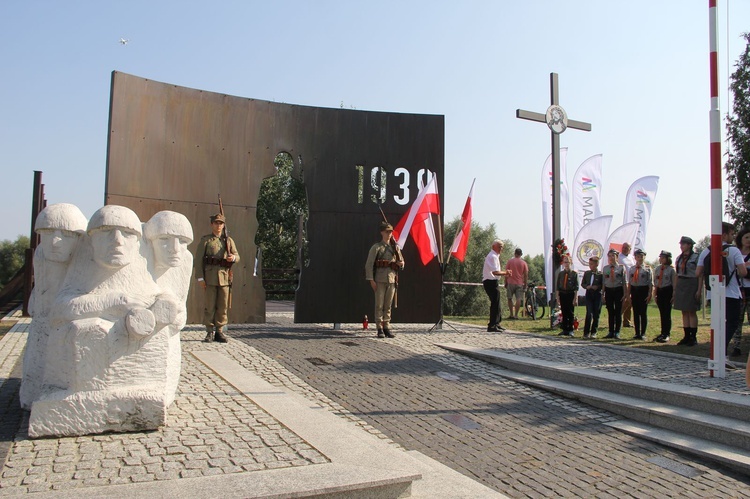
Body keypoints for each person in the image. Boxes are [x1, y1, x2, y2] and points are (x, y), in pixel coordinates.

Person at [696, 222, 748, 352]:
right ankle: (721, 350)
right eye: (731, 234)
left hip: (713, 292)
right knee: (732, 322)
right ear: (724, 235)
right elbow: (743, 272)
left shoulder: (706, 251)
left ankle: (718, 350)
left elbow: (697, 272)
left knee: (718, 323)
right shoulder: (734, 250)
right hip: (731, 292)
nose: (733, 236)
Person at [194, 213, 240, 343]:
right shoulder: (206, 240)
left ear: (223, 225)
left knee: (222, 305)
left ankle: (219, 331)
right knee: (210, 305)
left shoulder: (229, 241)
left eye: (221, 223)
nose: (218, 225)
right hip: (210, 278)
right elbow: (198, 261)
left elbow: (237, 256)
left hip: (225, 278)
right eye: (216, 223)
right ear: (211, 224)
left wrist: (233, 258)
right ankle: (209, 331)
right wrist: (200, 278)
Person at [364, 221, 404, 338]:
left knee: (388, 305)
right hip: (380, 279)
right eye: (387, 232)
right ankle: (379, 327)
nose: (389, 234)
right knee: (379, 305)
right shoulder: (377, 247)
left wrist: (400, 263)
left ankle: (386, 326)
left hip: (391, 279)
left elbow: (402, 262)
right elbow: (369, 264)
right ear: (382, 232)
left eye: (390, 232)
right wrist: (371, 280)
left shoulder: (395, 248)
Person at [673, 236, 701, 346]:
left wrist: (699, 289)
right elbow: (677, 274)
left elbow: (700, 274)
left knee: (691, 311)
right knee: (684, 311)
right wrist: (675, 289)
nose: (681, 246)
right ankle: (686, 336)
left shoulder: (696, 257)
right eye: (681, 244)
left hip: (692, 283)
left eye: (683, 244)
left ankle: (693, 337)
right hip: (681, 283)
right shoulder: (679, 258)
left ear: (689, 245)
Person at [482, 240, 511, 332]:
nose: (501, 249)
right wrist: (506, 273)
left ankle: (497, 323)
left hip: (493, 281)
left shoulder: (495, 256)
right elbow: (495, 272)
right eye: (499, 246)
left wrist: (504, 273)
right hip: (490, 281)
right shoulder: (493, 256)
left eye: (502, 247)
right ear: (494, 246)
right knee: (495, 303)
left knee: (497, 303)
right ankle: (492, 325)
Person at [731, 226, 750, 357]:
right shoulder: (735, 253)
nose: (748, 240)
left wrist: (744, 272)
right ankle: (736, 346)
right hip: (739, 289)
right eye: (746, 237)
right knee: (738, 319)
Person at [627, 249, 653, 340]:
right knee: (636, 312)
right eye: (638, 256)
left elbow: (650, 283)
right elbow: (629, 283)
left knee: (643, 312)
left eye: (641, 256)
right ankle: (637, 332)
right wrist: (628, 295)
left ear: (644, 257)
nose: (640, 258)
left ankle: (643, 333)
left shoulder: (647, 269)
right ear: (635, 257)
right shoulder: (632, 269)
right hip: (634, 291)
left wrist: (650, 294)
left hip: (643, 291)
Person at [602, 249, 627, 339]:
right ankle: (611, 331)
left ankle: (617, 332)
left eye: (613, 256)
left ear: (616, 257)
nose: (611, 258)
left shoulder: (621, 267)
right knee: (610, 311)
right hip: (609, 290)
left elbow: (624, 282)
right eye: (609, 256)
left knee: (618, 311)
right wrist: (603, 293)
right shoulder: (606, 268)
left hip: (618, 290)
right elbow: (604, 282)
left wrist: (625, 294)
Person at [653, 250, 676, 343]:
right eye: (660, 257)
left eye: (663, 257)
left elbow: (674, 283)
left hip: (668, 291)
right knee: (662, 313)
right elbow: (655, 281)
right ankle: (662, 332)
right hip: (660, 291)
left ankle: (667, 333)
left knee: (667, 313)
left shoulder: (671, 270)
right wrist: (655, 293)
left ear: (668, 259)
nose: (661, 259)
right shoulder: (658, 269)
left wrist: (674, 294)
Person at [555, 255, 579, 337]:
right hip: (563, 293)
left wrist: (575, 298)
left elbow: (576, 287)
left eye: (568, 262)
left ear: (571, 263)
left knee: (570, 312)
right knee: (564, 312)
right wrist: (557, 297)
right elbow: (558, 286)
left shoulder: (574, 274)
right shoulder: (561, 274)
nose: (566, 264)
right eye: (565, 262)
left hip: (570, 293)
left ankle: (571, 329)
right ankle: (565, 329)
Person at [581, 256, 603, 339]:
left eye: (592, 264)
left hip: (597, 294)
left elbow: (602, 284)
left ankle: (594, 332)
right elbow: (583, 283)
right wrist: (587, 286)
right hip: (589, 294)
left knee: (596, 313)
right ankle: (586, 332)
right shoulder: (587, 273)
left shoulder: (600, 274)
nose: (590, 266)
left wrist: (597, 287)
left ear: (596, 264)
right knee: (589, 313)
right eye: (589, 264)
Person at [505, 248, 529, 319]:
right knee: (518, 299)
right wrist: (525, 284)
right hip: (519, 283)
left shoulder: (510, 261)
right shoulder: (524, 263)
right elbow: (526, 274)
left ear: (514, 253)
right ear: (521, 254)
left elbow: (507, 272)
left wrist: (505, 281)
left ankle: (511, 314)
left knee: (509, 298)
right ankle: (516, 315)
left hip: (510, 282)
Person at [618, 242, 635, 327]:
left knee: (630, 302)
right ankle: (617, 317)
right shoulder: (619, 257)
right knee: (625, 301)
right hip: (623, 282)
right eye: (623, 247)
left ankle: (627, 321)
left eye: (626, 247)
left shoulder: (632, 258)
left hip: (632, 281)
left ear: (630, 249)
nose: (624, 249)